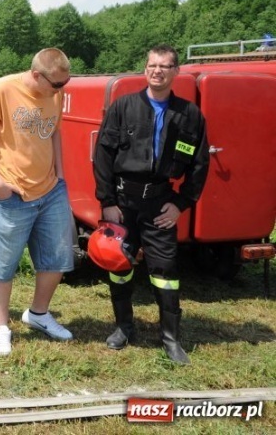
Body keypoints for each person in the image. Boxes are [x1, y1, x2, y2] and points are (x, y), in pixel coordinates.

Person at [93, 44, 209, 364]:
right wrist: (107, 202)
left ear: (176, 71)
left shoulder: (190, 115)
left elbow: (200, 165)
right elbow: (103, 155)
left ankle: (171, 339)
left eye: (164, 66)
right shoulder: (123, 107)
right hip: (122, 204)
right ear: (145, 69)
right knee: (119, 266)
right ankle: (123, 327)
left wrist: (180, 204)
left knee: (166, 271)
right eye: (152, 65)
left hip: (160, 205)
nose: (157, 71)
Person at [0, 47, 74, 356]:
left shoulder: (54, 92)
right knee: (2, 263)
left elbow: (55, 131)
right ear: (36, 75)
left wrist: (61, 174)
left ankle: (39, 314)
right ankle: (1, 327)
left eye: (65, 84)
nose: (61, 90)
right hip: (12, 192)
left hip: (51, 190)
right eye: (56, 85)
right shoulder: (1, 89)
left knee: (57, 258)